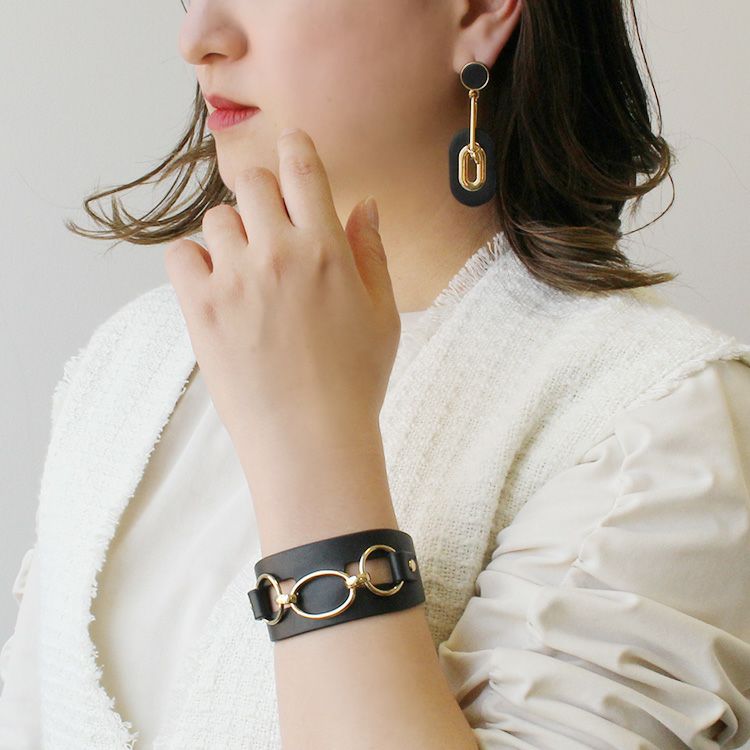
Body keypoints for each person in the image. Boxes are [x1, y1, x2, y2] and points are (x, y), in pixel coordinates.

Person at [2, 1, 750, 747]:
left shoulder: (655, 425)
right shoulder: (134, 361)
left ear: (480, 10)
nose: (198, 39)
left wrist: (308, 439)